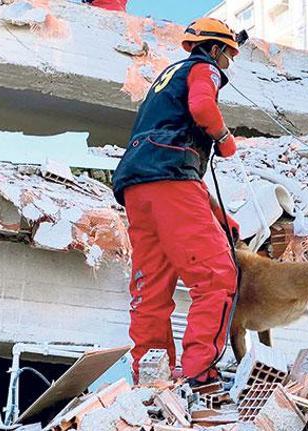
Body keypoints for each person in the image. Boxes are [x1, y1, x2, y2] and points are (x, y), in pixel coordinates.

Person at [112, 18, 243, 387]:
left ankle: (150, 376)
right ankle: (201, 372)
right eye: (227, 55)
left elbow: (179, 178)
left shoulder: (164, 80)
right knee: (218, 276)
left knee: (150, 288)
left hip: (137, 185)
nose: (227, 63)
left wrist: (218, 216)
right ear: (215, 49)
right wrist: (224, 136)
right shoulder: (204, 69)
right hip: (169, 179)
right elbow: (202, 107)